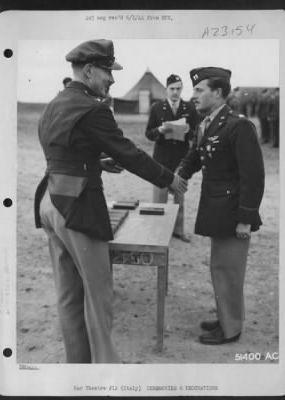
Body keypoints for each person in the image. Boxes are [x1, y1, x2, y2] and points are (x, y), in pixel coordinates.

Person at [34, 39, 187, 363]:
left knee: (69, 295)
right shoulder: (93, 108)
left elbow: (61, 150)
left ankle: (78, 368)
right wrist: (169, 179)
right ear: (88, 70)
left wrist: (94, 163)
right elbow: (128, 152)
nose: (113, 79)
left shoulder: (55, 103)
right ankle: (104, 372)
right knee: (99, 295)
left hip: (50, 201)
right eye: (108, 71)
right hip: (77, 207)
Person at [177, 67, 265, 345]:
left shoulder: (237, 125)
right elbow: (195, 155)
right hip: (218, 208)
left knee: (229, 270)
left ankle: (231, 329)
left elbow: (253, 176)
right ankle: (227, 317)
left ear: (218, 93)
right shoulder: (208, 123)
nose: (194, 96)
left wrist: (246, 219)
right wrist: (179, 175)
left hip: (233, 212)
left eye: (199, 90)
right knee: (220, 267)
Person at [145, 74, 201, 242]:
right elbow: (148, 133)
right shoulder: (156, 107)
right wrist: (159, 131)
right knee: (159, 197)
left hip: (181, 158)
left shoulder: (190, 108)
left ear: (182, 89)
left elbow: (197, 135)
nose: (175, 92)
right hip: (161, 158)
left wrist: (188, 131)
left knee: (179, 196)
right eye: (172, 89)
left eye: (178, 89)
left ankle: (178, 230)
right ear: (166, 89)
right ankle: (158, 230)